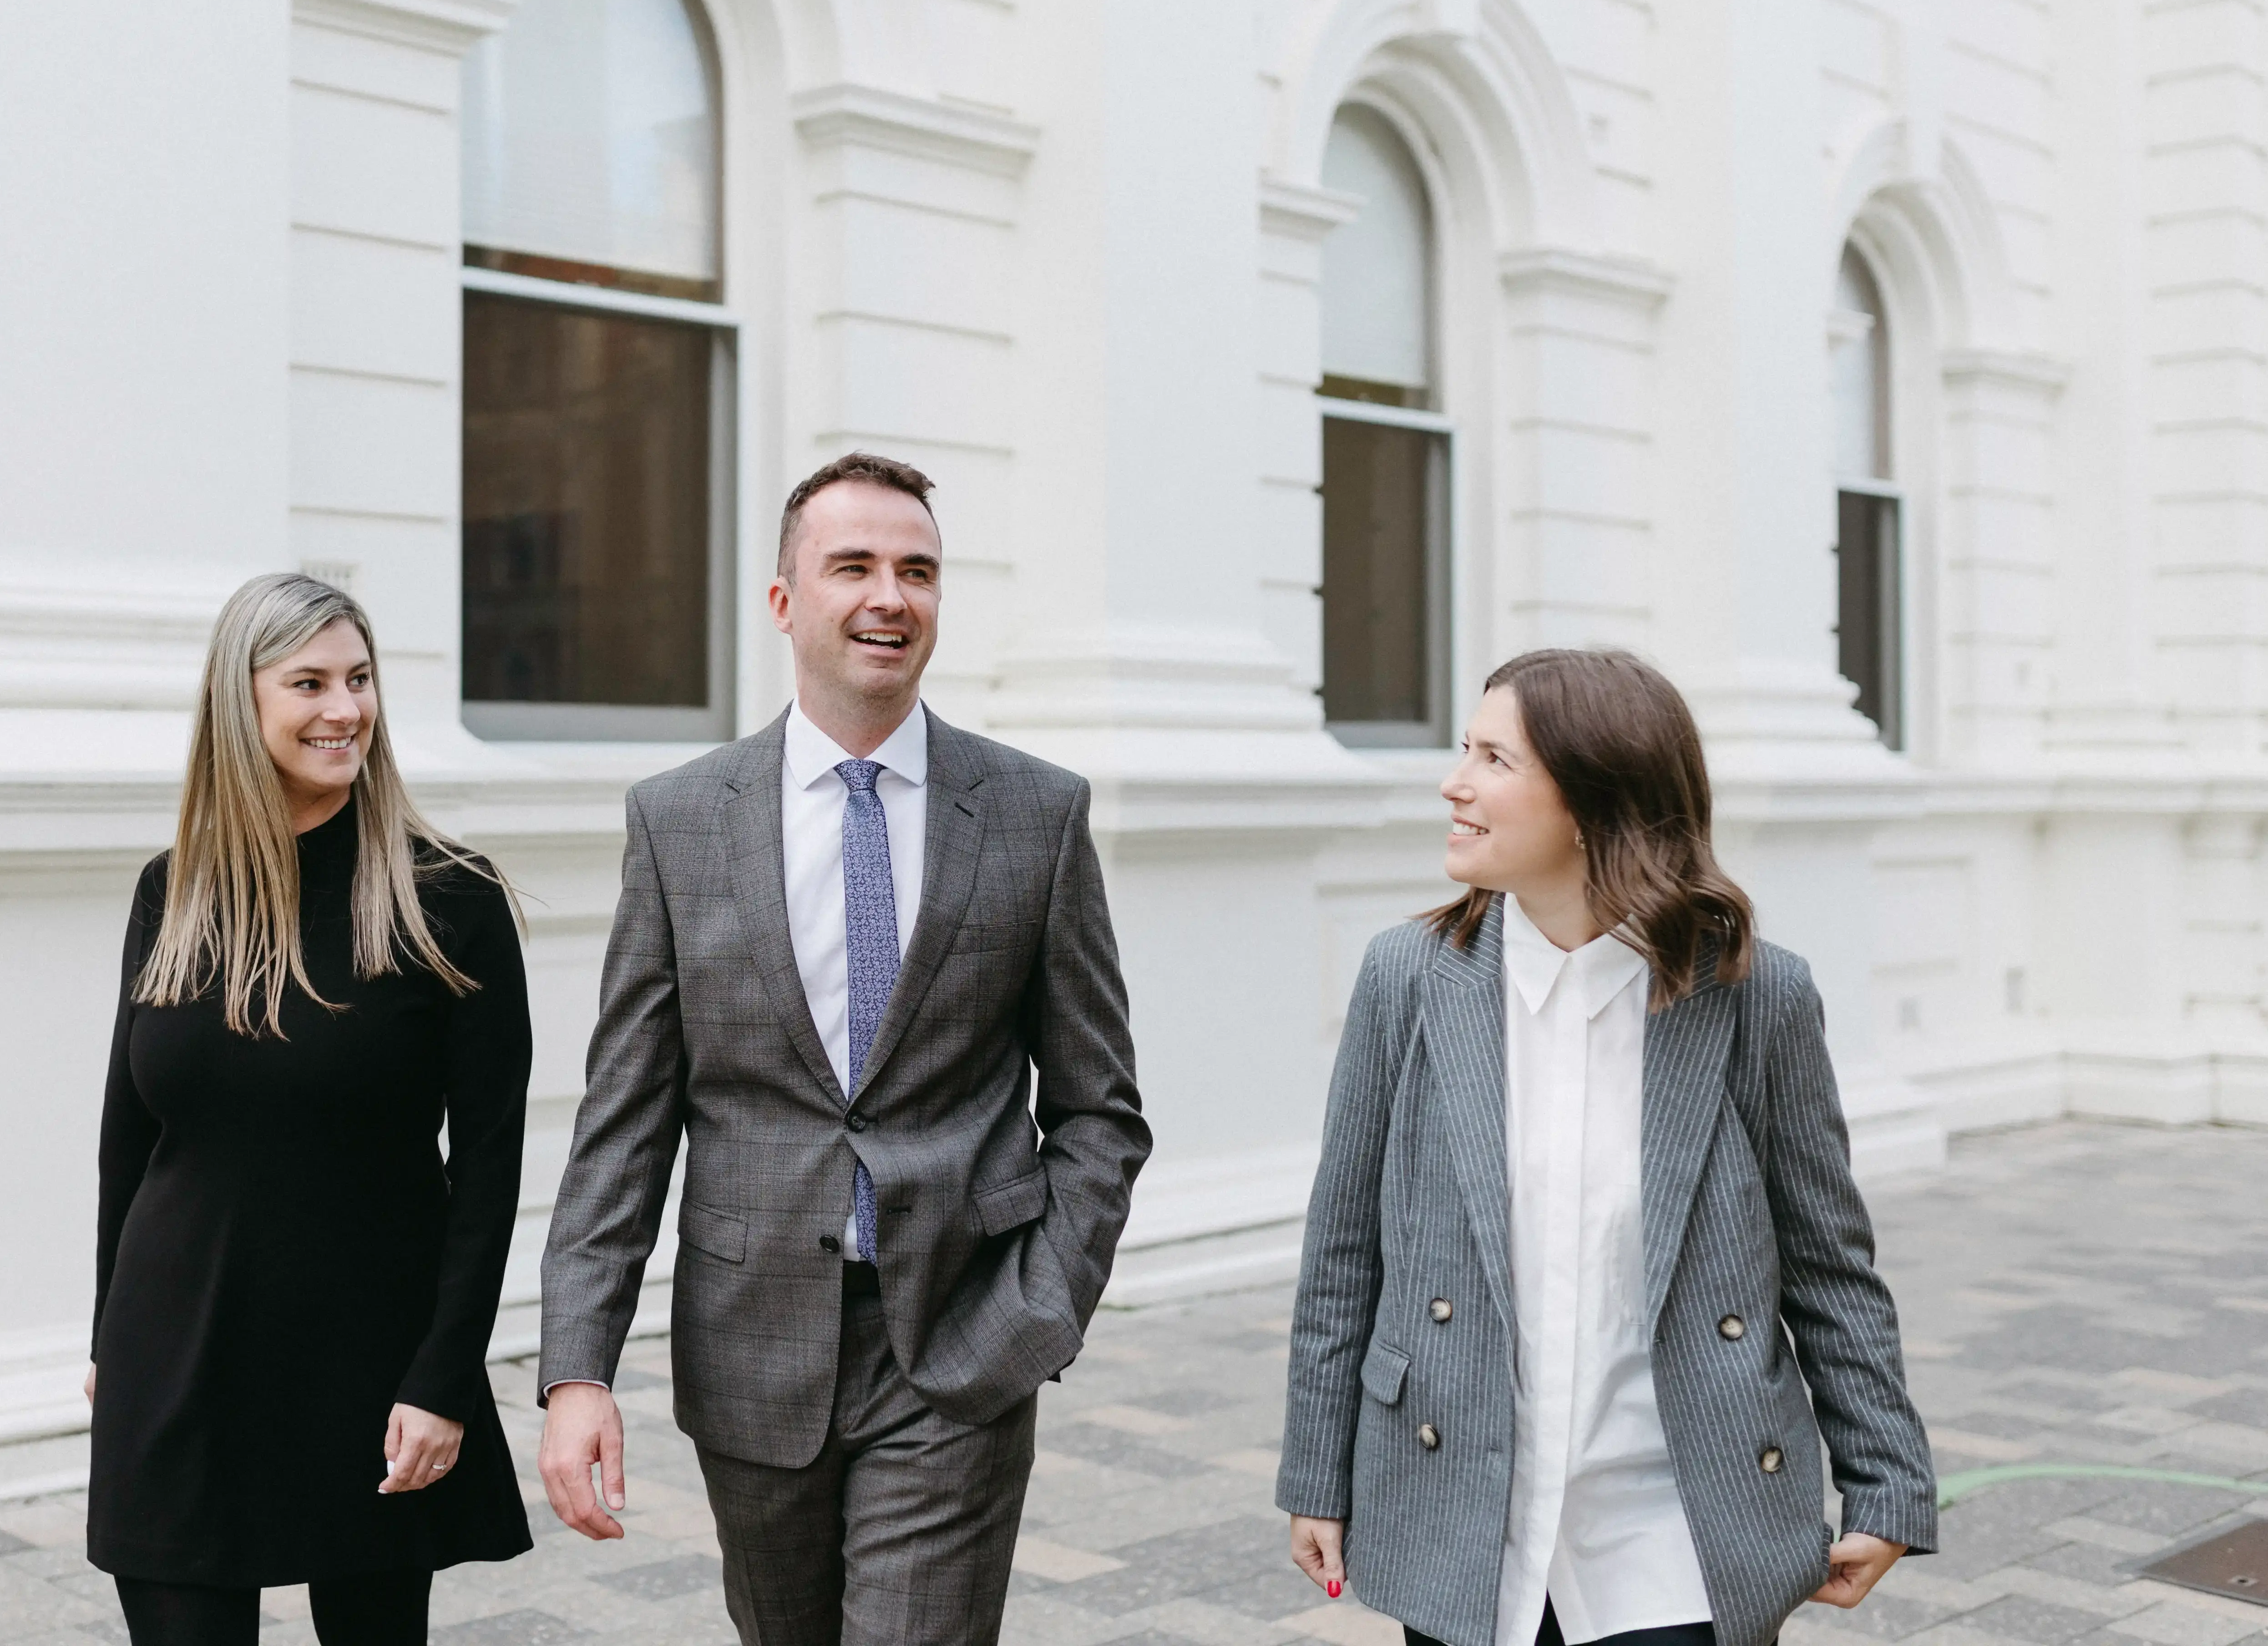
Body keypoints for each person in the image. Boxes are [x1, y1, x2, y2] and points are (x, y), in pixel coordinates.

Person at [535, 452, 1151, 1646]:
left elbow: (1099, 1109)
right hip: (752, 1350)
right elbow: (625, 1119)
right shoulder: (680, 820)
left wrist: (1042, 1306)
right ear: (784, 602)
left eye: (917, 570)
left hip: (959, 1343)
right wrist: (578, 1373)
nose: (890, 596)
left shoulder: (1034, 814)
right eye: (854, 566)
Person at [1277, 648, 1936, 1646]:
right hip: (1461, 1512)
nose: (1454, 783)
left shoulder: (1758, 997)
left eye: (1495, 760)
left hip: (1676, 1538)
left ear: (1596, 799)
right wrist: (1316, 1475)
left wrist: (1887, 1479)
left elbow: (1827, 1266)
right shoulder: (1408, 979)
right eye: (1465, 751)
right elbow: (1343, 1255)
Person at [87, 573, 533, 1646]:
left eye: (361, 679)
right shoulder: (176, 888)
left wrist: (444, 1382)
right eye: (310, 682)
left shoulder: (450, 901)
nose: (346, 709)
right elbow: (129, 1139)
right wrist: (110, 1332)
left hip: (367, 1366)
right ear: (240, 703)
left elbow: (488, 1170)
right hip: (177, 1352)